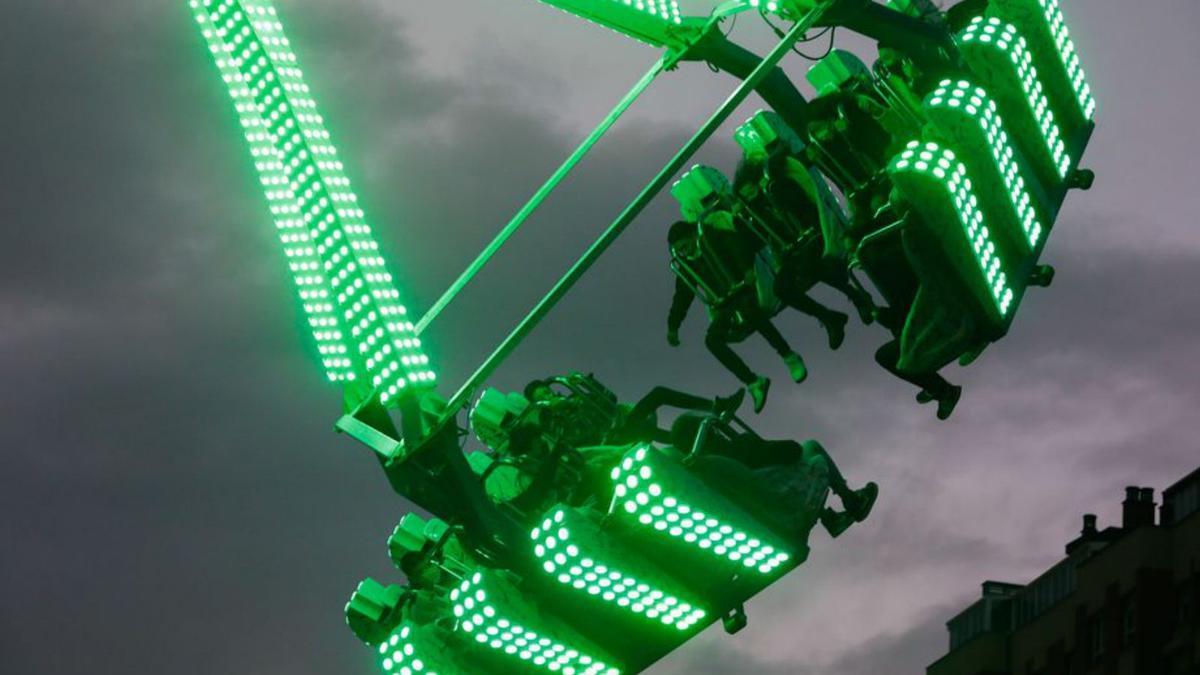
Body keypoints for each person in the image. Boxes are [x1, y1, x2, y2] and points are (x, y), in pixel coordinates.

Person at [670, 413, 879, 546]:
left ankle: (831, 517)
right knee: (810, 448)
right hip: (789, 496)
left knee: (791, 469)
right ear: (710, 431)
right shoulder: (739, 448)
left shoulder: (706, 475)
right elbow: (791, 451)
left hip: (770, 521)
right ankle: (850, 500)